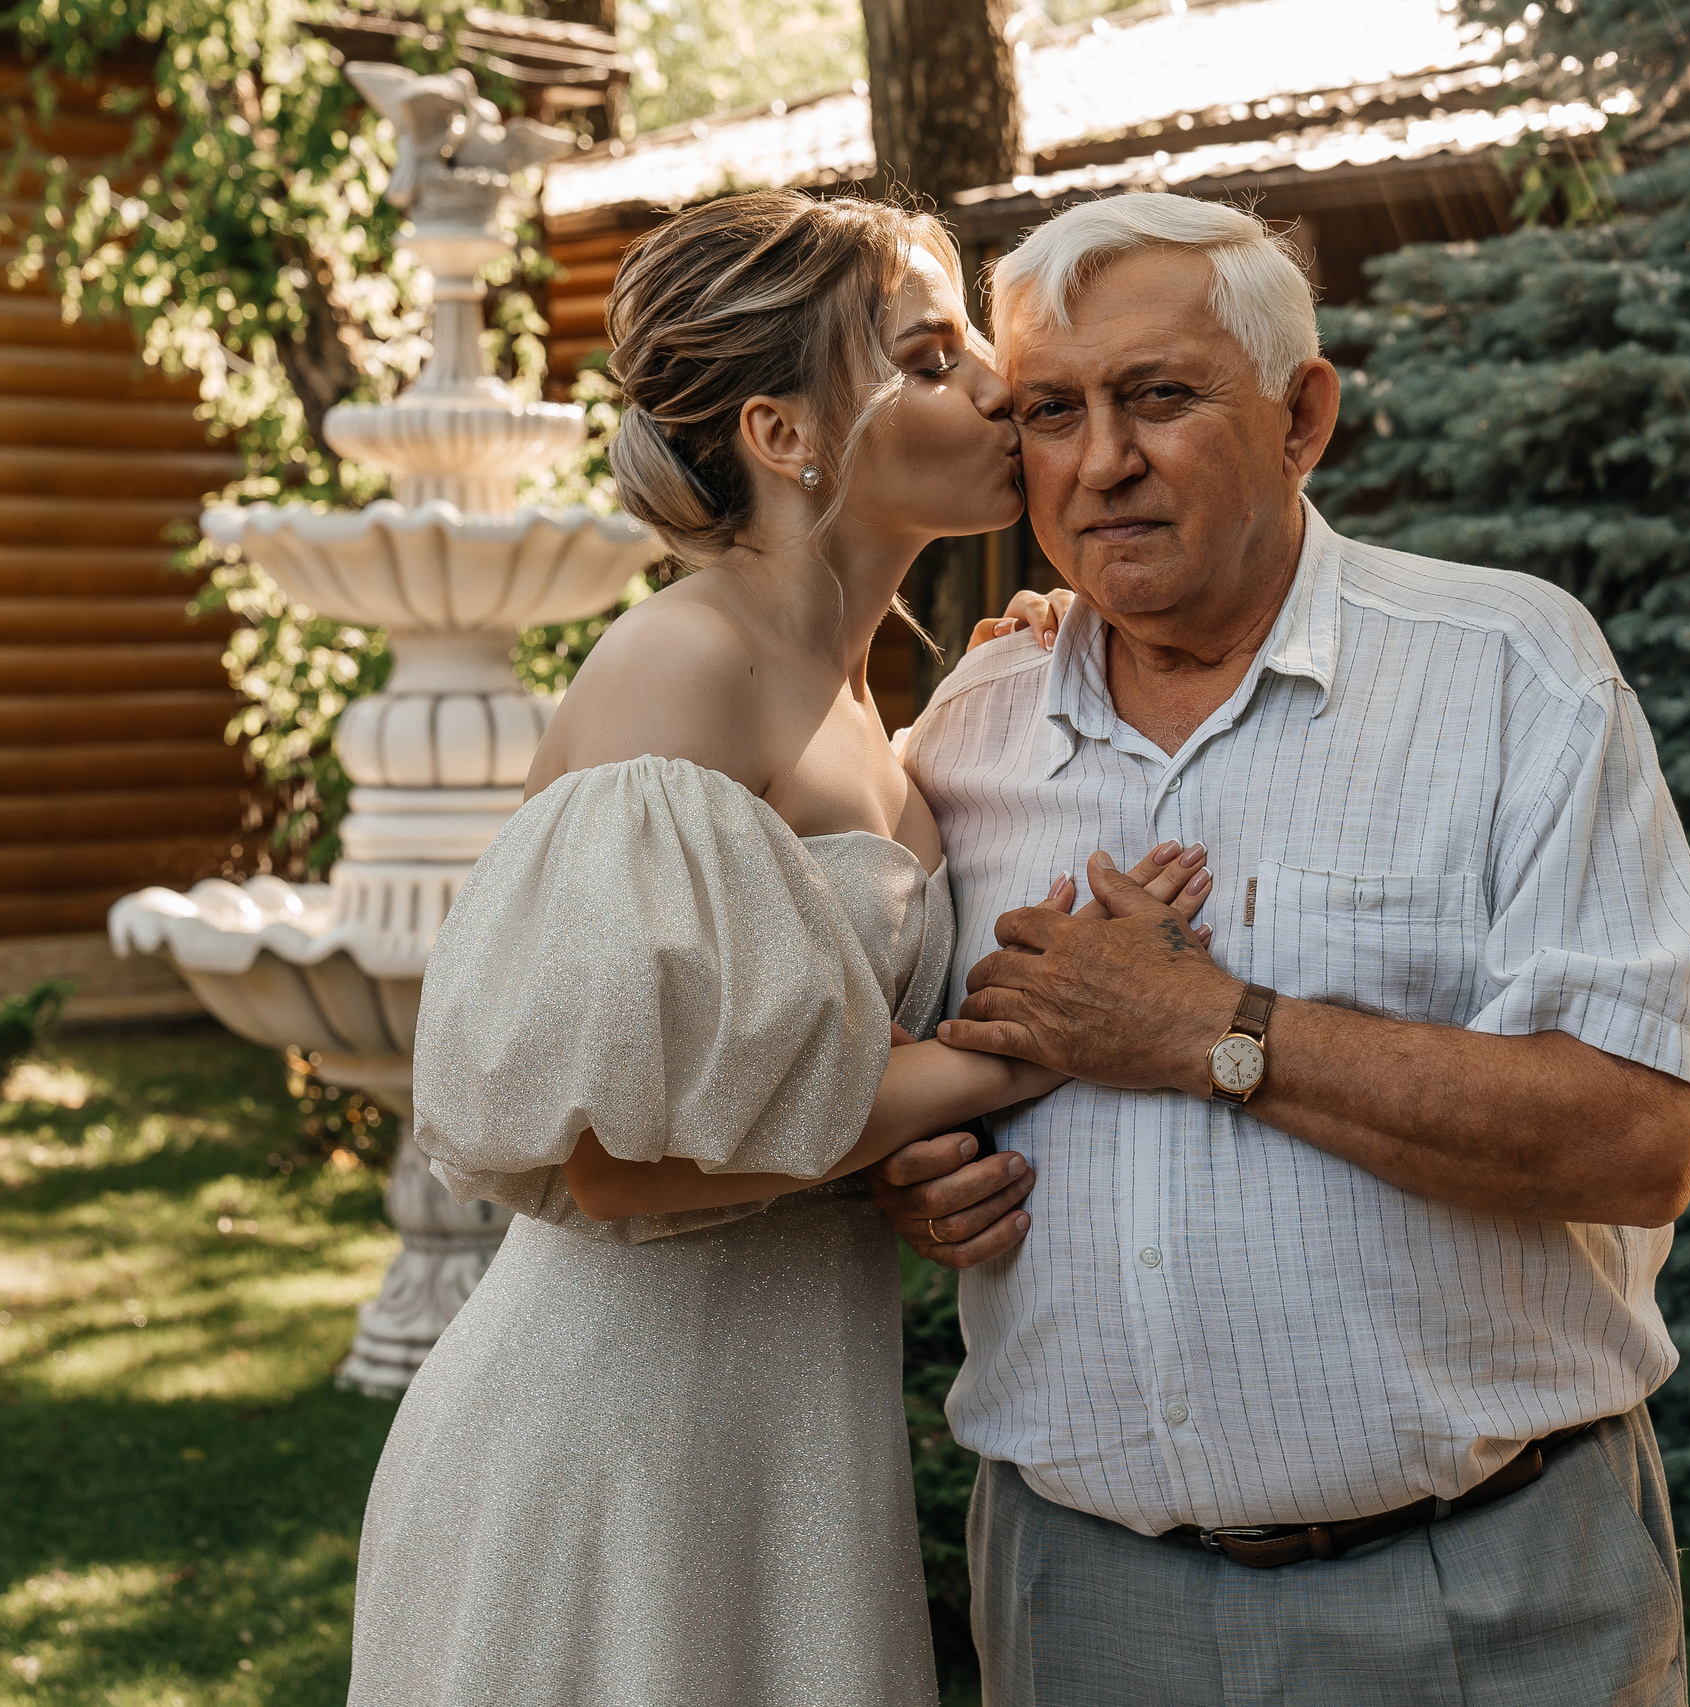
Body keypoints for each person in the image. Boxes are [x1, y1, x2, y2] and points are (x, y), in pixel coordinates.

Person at [873, 192, 1690, 1705]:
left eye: (1160, 395)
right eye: (1051, 411)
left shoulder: (1509, 676)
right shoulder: (970, 732)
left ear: (1303, 418)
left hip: (1483, 1593)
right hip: (1082, 1600)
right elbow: (925, 1084)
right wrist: (926, 1169)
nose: (1103, 462)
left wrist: (1217, 1031)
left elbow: (1639, 1138)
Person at [345, 191, 1205, 1707]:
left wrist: (1017, 696)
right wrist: (1026, 1037)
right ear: (784, 433)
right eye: (934, 359)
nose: (1000, 391)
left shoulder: (873, 693)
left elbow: (788, 1071)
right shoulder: (683, 666)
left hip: (790, 1428)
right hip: (614, 1438)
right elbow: (612, 1161)